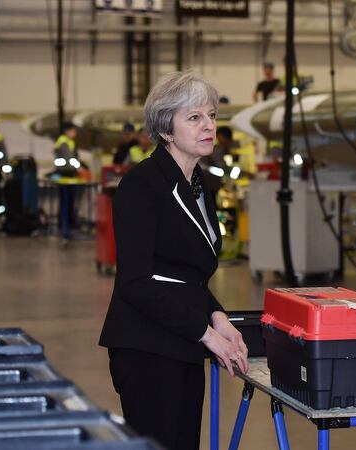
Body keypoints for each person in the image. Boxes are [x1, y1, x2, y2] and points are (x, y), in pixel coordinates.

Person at [99, 71, 249, 450]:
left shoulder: (198, 186)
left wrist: (218, 317)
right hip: (146, 346)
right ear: (166, 129)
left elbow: (188, 275)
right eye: (194, 117)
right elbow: (135, 283)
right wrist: (208, 334)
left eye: (212, 116)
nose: (209, 126)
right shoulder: (141, 185)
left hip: (183, 340)